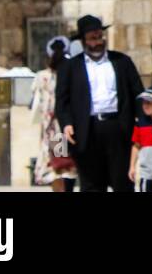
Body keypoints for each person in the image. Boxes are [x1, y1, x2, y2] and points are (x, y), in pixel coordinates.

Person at [54, 14, 146, 192]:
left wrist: (141, 124)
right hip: (87, 130)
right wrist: (66, 123)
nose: (97, 42)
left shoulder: (122, 62)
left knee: (123, 182)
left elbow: (138, 94)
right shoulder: (71, 67)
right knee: (92, 185)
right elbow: (62, 101)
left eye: (99, 37)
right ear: (82, 41)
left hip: (118, 127)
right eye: (92, 39)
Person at [30, 36, 77, 191]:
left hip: (51, 130)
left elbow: (37, 104)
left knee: (57, 168)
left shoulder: (42, 76)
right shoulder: (70, 74)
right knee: (65, 168)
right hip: (67, 128)